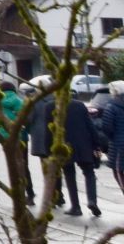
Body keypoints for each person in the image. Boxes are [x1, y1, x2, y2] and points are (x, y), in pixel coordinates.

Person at [67, 87, 103, 217]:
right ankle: (92, 201)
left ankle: (75, 207)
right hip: (83, 145)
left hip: (64, 147)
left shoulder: (52, 106)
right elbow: (90, 125)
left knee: (69, 175)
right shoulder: (79, 105)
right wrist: (97, 144)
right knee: (89, 173)